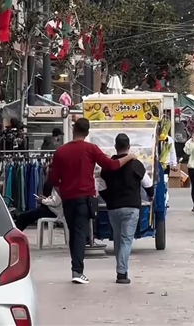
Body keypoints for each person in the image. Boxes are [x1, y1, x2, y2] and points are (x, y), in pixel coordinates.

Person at [49, 118, 138, 285]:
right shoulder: (91, 149)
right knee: (81, 233)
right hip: (85, 198)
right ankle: (77, 271)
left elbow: (54, 180)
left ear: (74, 129)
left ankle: (76, 268)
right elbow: (111, 165)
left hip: (68, 198)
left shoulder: (60, 151)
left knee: (73, 233)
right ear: (87, 132)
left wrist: (63, 194)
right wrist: (130, 157)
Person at [100, 133, 148, 285]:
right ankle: (121, 273)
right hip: (132, 207)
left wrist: (109, 200)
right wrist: (151, 196)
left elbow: (100, 187)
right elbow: (147, 183)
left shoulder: (107, 166)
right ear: (129, 147)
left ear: (115, 147)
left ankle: (122, 268)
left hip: (113, 208)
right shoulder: (136, 164)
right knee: (126, 240)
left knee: (117, 239)